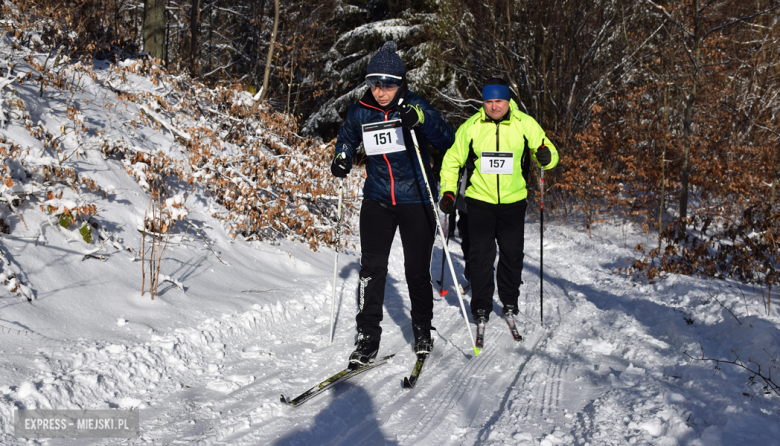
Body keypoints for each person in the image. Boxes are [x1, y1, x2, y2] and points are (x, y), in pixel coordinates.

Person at [330, 41, 455, 369]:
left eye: (387, 84)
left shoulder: (415, 105)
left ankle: (422, 330)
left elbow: (447, 139)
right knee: (371, 269)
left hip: (417, 198)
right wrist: (342, 156)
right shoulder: (361, 110)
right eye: (374, 83)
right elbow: (346, 138)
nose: (381, 91)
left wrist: (421, 120)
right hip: (378, 199)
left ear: (400, 82)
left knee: (417, 271)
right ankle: (367, 338)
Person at [438, 77, 559, 332]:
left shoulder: (525, 124)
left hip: (513, 201)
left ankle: (510, 301)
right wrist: (449, 192)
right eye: (489, 101)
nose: (494, 107)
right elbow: (451, 161)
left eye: (499, 101)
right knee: (481, 254)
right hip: (479, 201)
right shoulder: (471, 127)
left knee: (512, 254)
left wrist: (547, 157)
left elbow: (548, 152)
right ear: (483, 102)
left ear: (508, 101)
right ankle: (481, 305)